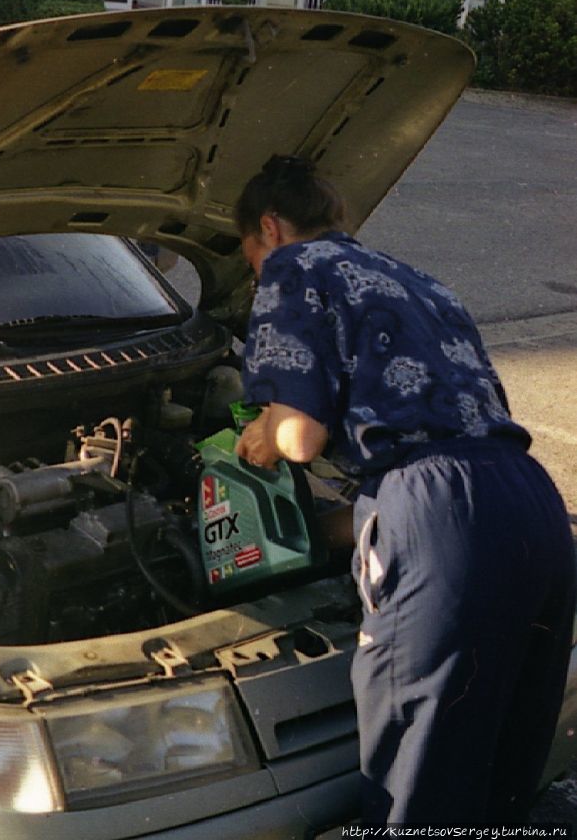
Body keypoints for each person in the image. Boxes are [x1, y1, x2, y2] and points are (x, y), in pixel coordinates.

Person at [234, 154, 575, 826]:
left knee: (419, 771)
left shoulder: (291, 268)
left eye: (244, 251)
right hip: (531, 503)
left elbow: (300, 438)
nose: (251, 268)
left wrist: (261, 434)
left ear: (268, 227)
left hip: (438, 511)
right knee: (502, 757)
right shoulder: (419, 280)